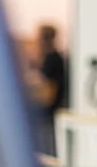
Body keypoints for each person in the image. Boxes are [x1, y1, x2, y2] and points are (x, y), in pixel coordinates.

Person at [27, 23, 67, 156]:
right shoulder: (50, 58)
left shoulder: (53, 59)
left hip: (49, 114)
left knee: (46, 153)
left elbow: (48, 89)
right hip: (48, 113)